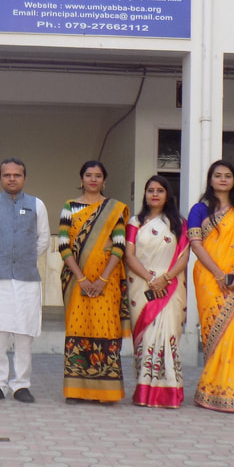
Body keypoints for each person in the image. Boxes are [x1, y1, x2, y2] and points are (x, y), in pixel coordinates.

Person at [0, 158, 50, 404]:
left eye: (17, 175)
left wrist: (25, 259)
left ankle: (21, 385)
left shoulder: (37, 205)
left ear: (24, 178)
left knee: (24, 333)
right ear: (0, 178)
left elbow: (43, 239)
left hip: (27, 279)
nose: (12, 179)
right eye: (7, 175)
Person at [188, 160, 234, 413]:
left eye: (228, 175)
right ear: (210, 180)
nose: (223, 179)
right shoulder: (199, 209)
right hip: (209, 279)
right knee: (214, 333)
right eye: (218, 175)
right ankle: (211, 391)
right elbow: (196, 244)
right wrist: (219, 274)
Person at [58, 160, 130, 403]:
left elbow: (119, 245)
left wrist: (102, 279)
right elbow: (63, 245)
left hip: (107, 282)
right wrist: (80, 277)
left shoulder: (114, 209)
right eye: (88, 175)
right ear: (81, 179)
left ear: (104, 181)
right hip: (75, 280)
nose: (93, 179)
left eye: (98, 176)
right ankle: (76, 390)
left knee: (106, 329)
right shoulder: (70, 207)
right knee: (77, 328)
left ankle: (106, 391)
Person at [123, 174, 189, 408]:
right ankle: (144, 391)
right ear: (145, 194)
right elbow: (129, 255)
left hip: (170, 287)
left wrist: (165, 279)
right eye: (151, 190)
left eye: (160, 190)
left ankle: (168, 392)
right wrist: (151, 279)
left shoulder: (179, 223)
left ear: (167, 195)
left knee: (167, 335)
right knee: (146, 338)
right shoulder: (135, 222)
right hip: (142, 286)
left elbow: (183, 257)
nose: (155, 194)